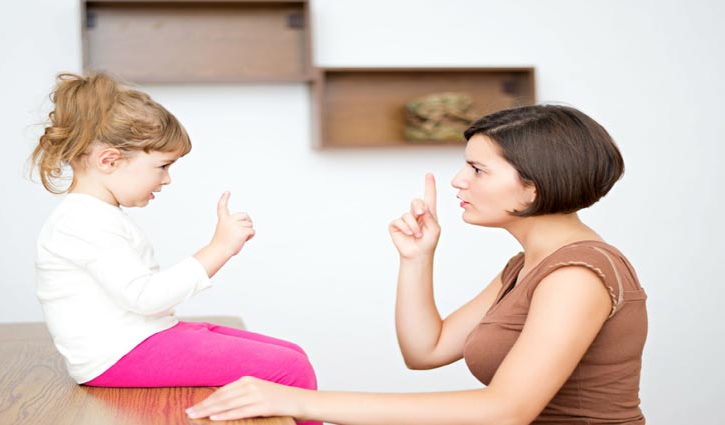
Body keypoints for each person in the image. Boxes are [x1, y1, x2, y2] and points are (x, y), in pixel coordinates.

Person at [186, 104, 647, 424]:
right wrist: (417, 258)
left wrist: (300, 401)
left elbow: (505, 411)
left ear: (533, 186)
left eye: (478, 169)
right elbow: (426, 351)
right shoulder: (527, 265)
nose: (458, 180)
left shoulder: (576, 275)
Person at [31, 73, 319, 423]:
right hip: (118, 355)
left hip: (138, 340)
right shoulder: (83, 222)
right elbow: (145, 298)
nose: (167, 179)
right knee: (290, 369)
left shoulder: (94, 216)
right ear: (109, 161)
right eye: (162, 166)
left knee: (292, 354)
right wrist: (219, 248)